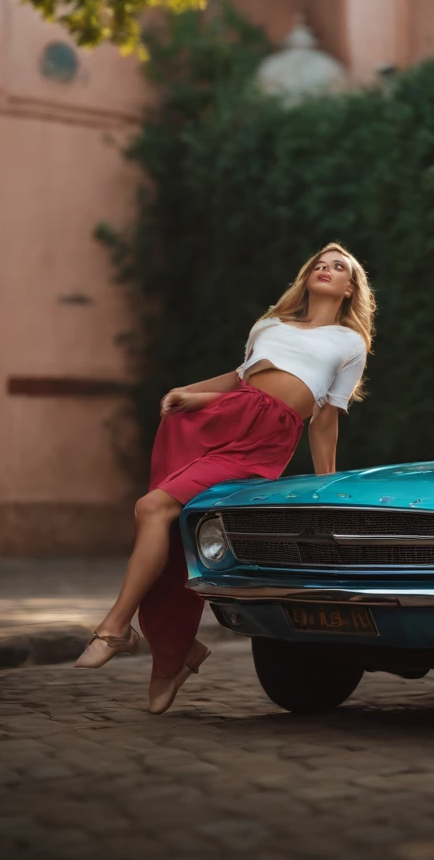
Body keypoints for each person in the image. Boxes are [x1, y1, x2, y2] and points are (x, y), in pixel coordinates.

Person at [73, 243, 375, 714]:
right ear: (307, 274)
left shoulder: (349, 343)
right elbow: (242, 378)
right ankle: (171, 652)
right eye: (320, 262)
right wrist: (193, 393)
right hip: (219, 419)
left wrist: (326, 487)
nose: (326, 268)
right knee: (168, 526)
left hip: (266, 438)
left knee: (152, 507)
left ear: (350, 286)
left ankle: (116, 628)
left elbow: (325, 419)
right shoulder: (270, 324)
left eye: (339, 267)